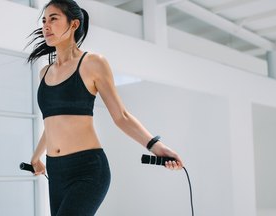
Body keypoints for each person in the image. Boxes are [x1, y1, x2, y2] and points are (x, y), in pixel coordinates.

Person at [26, 0, 184, 215]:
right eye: (44, 20)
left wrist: (156, 146)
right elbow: (52, 124)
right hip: (56, 170)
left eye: (53, 19)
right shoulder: (44, 72)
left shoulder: (92, 63)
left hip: (87, 170)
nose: (46, 25)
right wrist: (36, 157)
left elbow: (121, 116)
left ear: (73, 24)